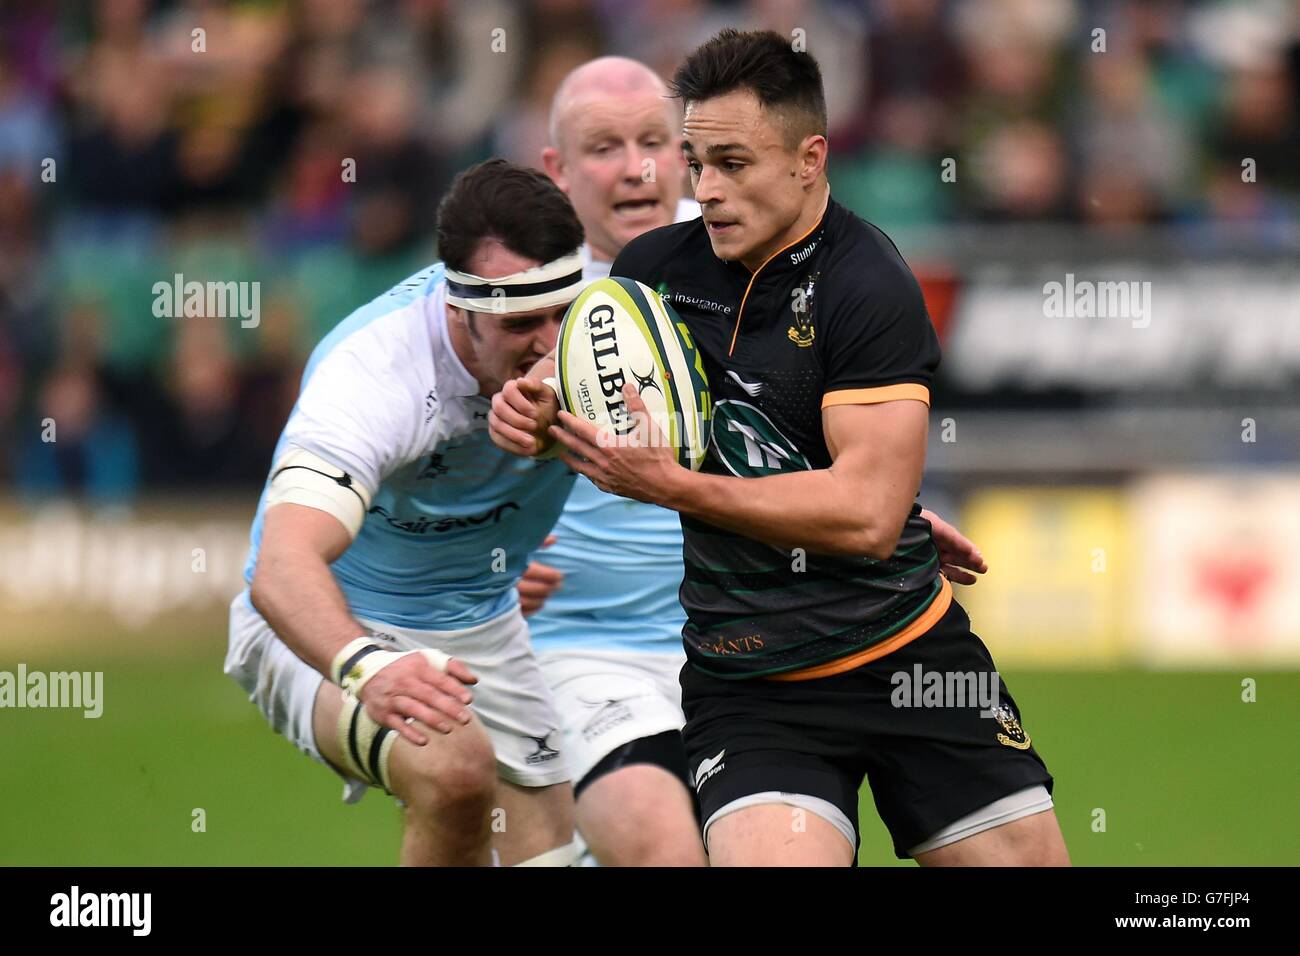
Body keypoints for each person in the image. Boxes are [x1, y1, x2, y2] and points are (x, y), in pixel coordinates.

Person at [490, 31, 1067, 867]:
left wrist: (675, 488)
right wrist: (532, 414)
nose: (706, 190)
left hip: (909, 658)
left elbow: (868, 519)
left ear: (810, 158)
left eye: (734, 163)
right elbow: (574, 393)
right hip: (750, 686)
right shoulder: (653, 272)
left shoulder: (869, 285)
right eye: (695, 163)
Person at [225, 159, 585, 866]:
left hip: (480, 619)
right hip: (334, 623)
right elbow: (282, 567)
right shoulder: (373, 372)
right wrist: (366, 666)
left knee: (547, 856)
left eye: (561, 312)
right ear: (458, 309)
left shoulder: (599, 330)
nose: (550, 343)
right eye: (522, 322)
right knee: (453, 774)